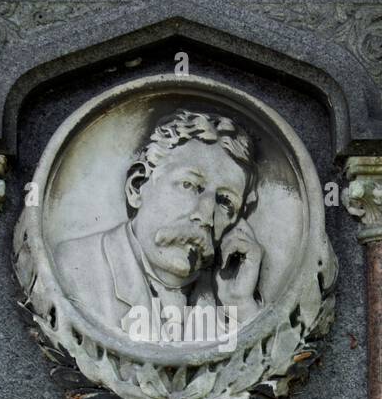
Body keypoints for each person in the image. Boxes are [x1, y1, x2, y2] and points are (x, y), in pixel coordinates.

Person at [55, 108, 264, 341]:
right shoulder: (71, 269)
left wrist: (239, 305)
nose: (206, 216)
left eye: (225, 202)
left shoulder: (227, 301)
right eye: (190, 185)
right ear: (137, 186)